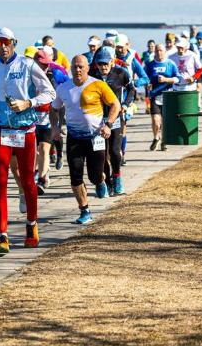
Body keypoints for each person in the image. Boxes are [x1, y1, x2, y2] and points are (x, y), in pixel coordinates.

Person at [0, 27, 55, 255]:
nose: (2, 46)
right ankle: (2, 235)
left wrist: (28, 103)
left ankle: (32, 225)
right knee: (0, 179)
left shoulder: (28, 64)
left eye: (6, 42)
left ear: (14, 43)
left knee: (27, 181)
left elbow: (50, 93)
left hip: (25, 129)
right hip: (0, 128)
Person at [52, 56, 121, 225]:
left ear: (87, 68)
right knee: (75, 176)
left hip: (96, 137)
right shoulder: (63, 88)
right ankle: (85, 210)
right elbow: (53, 109)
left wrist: (109, 125)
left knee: (94, 175)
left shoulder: (98, 84)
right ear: (70, 69)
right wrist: (55, 127)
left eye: (81, 67)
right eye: (75, 67)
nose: (78, 70)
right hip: (75, 138)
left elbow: (115, 105)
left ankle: (101, 181)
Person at [90, 48, 135, 196]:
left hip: (114, 118)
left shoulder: (121, 73)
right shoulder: (92, 75)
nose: (103, 67)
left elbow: (132, 89)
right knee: (101, 154)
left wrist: (126, 104)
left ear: (111, 62)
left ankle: (116, 176)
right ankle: (107, 183)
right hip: (97, 119)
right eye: (100, 64)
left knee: (115, 152)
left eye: (106, 64)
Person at [32, 50, 69, 192]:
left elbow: (68, 85)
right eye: (42, 64)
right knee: (34, 151)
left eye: (47, 64)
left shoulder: (55, 73)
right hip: (32, 117)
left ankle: (41, 180)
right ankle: (40, 172)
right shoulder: (28, 75)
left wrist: (62, 120)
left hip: (49, 116)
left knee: (44, 148)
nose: (45, 67)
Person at [145, 44, 181, 151]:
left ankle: (164, 141)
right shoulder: (150, 65)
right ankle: (156, 138)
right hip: (155, 95)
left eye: (161, 50)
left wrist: (166, 80)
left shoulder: (170, 64)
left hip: (168, 95)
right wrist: (147, 84)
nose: (159, 53)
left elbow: (178, 78)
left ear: (165, 51)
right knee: (156, 120)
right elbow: (145, 78)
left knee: (166, 121)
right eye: (157, 51)